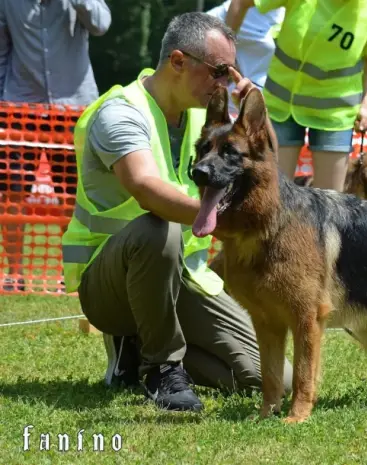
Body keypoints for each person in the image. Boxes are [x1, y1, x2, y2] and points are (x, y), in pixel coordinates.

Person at [60, 12, 292, 412]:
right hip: (111, 284)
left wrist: (256, 106)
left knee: (272, 379)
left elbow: (263, 159)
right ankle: (161, 369)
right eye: (220, 71)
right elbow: (147, 189)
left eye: (230, 73)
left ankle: (139, 350)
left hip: (184, 278)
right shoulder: (121, 112)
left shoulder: (205, 116)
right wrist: (229, 223)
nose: (225, 83)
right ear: (179, 61)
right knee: (158, 228)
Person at [0, 0, 111, 291]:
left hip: (74, 110)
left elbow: (101, 24)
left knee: (75, 198)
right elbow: (1, 53)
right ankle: (14, 274)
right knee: (12, 192)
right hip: (20, 109)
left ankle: (71, 272)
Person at [225, 0, 367, 192]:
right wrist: (226, 57)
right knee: (271, 195)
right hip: (281, 106)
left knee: (330, 204)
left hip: (335, 114)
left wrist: (365, 105)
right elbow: (240, 3)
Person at [207, 0, 284, 116]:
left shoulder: (285, 12)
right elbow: (238, 2)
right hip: (216, 96)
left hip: (245, 101)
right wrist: (227, 55)